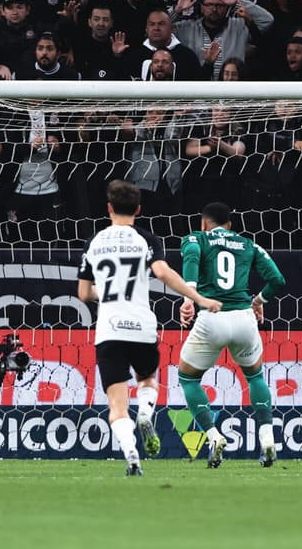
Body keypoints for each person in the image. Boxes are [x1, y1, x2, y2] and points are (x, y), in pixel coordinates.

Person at [76, 179, 221, 476]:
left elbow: (83, 294)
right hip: (141, 326)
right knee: (147, 379)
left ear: (108, 208)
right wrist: (198, 298)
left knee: (117, 405)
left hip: (110, 329)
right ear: (139, 209)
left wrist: (105, 292)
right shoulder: (147, 239)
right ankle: (145, 412)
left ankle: (131, 456)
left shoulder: (94, 242)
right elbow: (162, 272)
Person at [175, 202, 287, 468]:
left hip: (211, 318)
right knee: (255, 376)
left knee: (188, 379)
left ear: (203, 222)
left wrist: (190, 296)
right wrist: (258, 300)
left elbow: (191, 254)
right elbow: (279, 281)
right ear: (230, 225)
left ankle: (214, 437)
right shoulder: (249, 245)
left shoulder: (196, 238)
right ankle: (268, 438)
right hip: (243, 319)